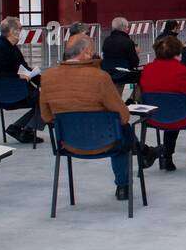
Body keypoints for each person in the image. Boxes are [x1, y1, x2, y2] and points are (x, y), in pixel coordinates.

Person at [39, 33, 149, 201]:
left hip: (69, 143)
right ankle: (123, 186)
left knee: (121, 130)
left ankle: (144, 153)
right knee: (123, 131)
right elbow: (123, 115)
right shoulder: (100, 77)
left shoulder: (47, 77)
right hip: (104, 142)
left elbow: (46, 116)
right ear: (86, 51)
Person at [140, 35, 186, 171]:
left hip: (155, 116)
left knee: (171, 112)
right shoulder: (182, 71)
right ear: (177, 52)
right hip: (182, 116)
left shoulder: (147, 69)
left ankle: (167, 157)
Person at [0, 16, 44, 144]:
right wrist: (18, 76)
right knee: (47, 99)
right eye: (20, 29)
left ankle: (18, 128)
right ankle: (26, 129)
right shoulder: (0, 47)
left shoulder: (12, 46)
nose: (22, 32)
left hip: (16, 87)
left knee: (48, 95)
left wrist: (43, 82)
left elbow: (24, 68)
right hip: (7, 91)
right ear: (13, 31)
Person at [101, 16, 142, 91]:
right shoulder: (128, 42)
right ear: (124, 28)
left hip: (108, 72)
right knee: (140, 75)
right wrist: (137, 53)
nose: (128, 29)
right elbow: (135, 63)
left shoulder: (106, 40)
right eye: (127, 27)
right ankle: (136, 99)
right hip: (123, 74)